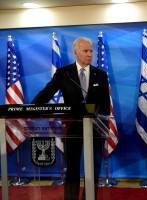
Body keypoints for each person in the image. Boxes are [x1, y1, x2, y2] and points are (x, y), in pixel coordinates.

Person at [31, 37, 110, 200]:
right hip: (72, 128)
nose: (90, 54)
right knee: (72, 169)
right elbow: (47, 92)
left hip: (95, 130)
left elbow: (104, 104)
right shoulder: (63, 73)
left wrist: (103, 123)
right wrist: (31, 108)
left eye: (91, 51)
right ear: (75, 52)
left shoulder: (100, 75)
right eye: (85, 51)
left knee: (93, 169)